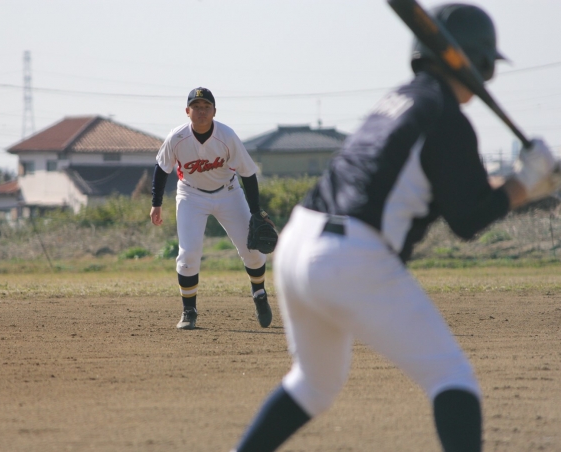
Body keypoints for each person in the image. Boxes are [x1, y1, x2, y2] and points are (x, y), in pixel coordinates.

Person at [231, 4, 559, 452]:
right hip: (351, 257)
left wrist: (528, 184)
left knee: (313, 384)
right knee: (452, 376)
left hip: (298, 242)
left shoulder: (401, 101)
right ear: (480, 64)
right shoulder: (447, 117)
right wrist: (527, 183)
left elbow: (462, 190)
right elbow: (468, 219)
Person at [150, 87, 273, 330]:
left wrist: (255, 211)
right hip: (191, 195)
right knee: (188, 255)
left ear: (215, 111)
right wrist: (156, 204)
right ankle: (189, 311)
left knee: (252, 251)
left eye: (206, 107)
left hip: (229, 193)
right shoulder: (177, 137)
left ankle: (259, 294)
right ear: (187, 111)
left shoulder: (227, 136)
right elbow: (162, 168)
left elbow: (247, 173)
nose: (202, 112)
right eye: (196, 107)